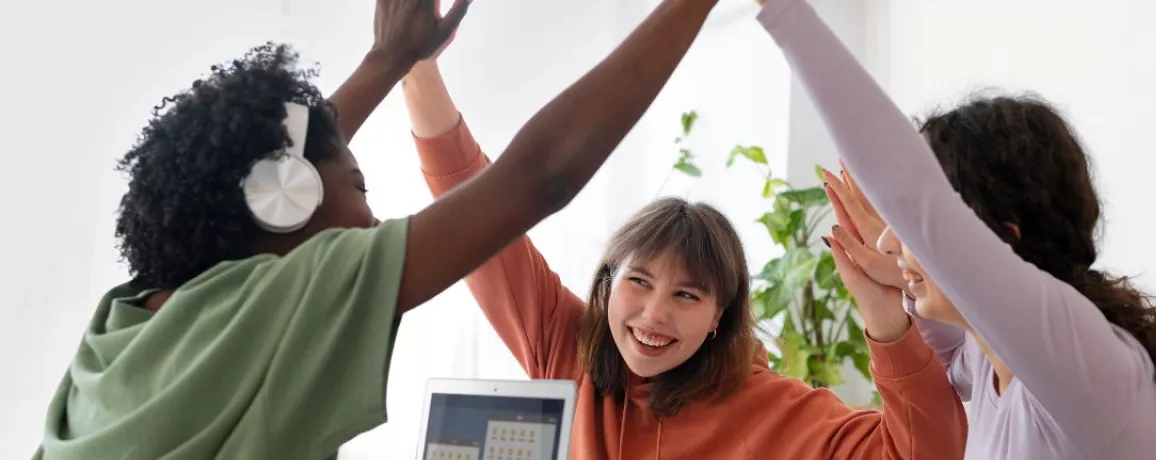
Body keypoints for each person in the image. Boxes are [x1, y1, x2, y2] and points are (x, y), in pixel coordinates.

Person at [34, 0, 730, 456]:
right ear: (287, 200)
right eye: (360, 186)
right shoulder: (289, 294)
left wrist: (387, 59)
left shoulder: (132, 318)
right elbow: (542, 173)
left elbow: (270, 169)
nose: (371, 217)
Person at [403, 7, 967, 460]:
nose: (652, 315)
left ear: (720, 314)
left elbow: (927, 451)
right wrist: (413, 66)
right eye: (640, 282)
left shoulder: (771, 409)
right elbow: (477, 215)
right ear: (607, 284)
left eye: (687, 295)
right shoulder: (565, 345)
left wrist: (886, 317)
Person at [756, 0, 1156, 458]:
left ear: (1002, 238)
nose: (890, 241)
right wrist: (897, 286)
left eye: (916, 229)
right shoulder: (991, 356)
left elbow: (910, 192)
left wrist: (782, 9)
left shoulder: (1082, 362)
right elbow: (952, 359)